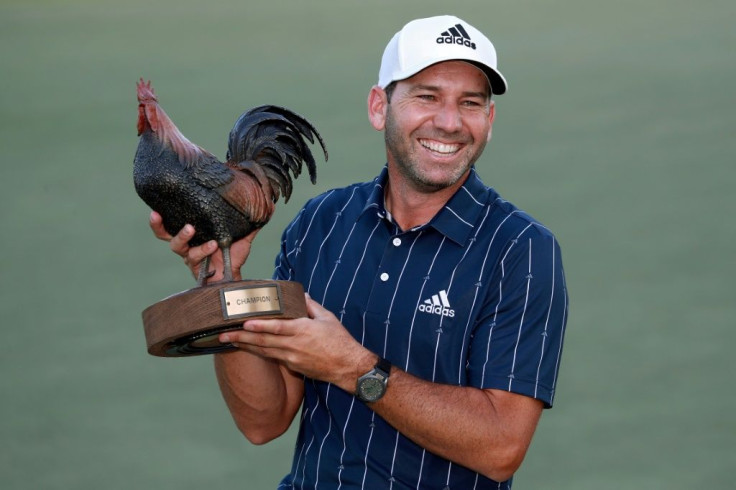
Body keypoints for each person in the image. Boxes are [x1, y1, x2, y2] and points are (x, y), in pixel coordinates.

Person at [150, 15, 568, 489]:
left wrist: (354, 367)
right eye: (427, 96)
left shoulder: (522, 251)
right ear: (379, 107)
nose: (450, 122)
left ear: (488, 122)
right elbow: (263, 421)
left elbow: (501, 448)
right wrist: (222, 287)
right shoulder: (321, 223)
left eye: (470, 103)